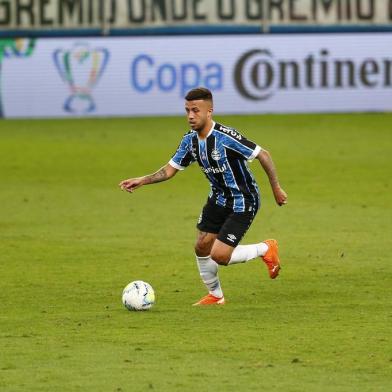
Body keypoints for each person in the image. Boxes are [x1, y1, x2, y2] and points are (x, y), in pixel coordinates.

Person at [120, 87, 287, 306]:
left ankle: (265, 249)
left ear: (209, 112)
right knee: (201, 246)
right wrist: (142, 180)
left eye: (196, 110)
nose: (190, 115)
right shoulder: (190, 141)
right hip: (218, 199)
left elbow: (263, 154)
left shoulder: (225, 137)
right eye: (187, 110)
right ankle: (216, 296)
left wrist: (276, 187)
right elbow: (169, 170)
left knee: (219, 255)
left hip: (242, 200)